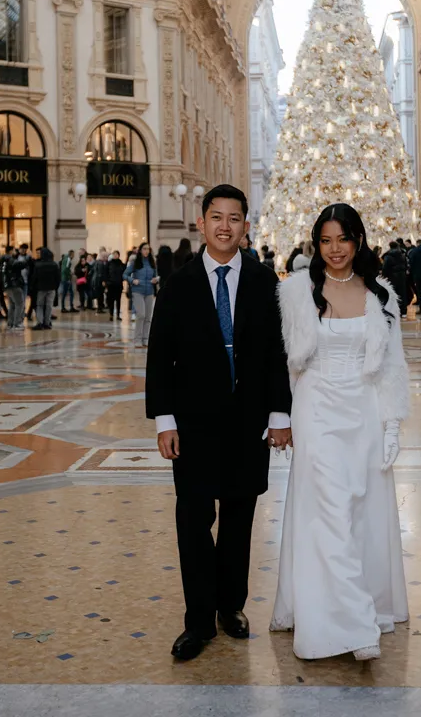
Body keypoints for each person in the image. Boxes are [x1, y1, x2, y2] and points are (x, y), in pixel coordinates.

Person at [146, 184, 292, 662]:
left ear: (245, 226)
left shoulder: (263, 281)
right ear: (202, 222)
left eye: (234, 218)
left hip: (246, 424)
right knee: (193, 521)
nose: (225, 225)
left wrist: (279, 414)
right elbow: (159, 356)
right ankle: (198, 621)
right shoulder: (179, 284)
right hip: (192, 426)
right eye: (217, 217)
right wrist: (165, 420)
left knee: (238, 521)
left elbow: (276, 354)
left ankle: (231, 607)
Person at [271, 203, 409, 661]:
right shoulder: (295, 292)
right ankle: (351, 624)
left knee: (361, 509)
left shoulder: (381, 295)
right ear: (317, 243)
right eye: (326, 241)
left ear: (358, 241)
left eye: (343, 240)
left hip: (365, 410)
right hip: (317, 410)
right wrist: (282, 418)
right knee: (328, 509)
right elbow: (287, 366)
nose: (335, 250)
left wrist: (391, 425)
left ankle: (357, 600)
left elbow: (392, 366)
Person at [124, 242, 159, 347]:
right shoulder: (135, 262)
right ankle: (137, 339)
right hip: (137, 291)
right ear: (140, 250)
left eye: (148, 249)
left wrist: (156, 279)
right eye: (144, 249)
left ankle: (146, 339)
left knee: (148, 317)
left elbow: (157, 275)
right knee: (141, 315)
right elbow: (125, 274)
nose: (146, 251)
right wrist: (132, 280)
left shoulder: (153, 263)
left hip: (149, 292)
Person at [30, 248, 61, 330]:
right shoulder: (54, 264)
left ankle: (40, 322)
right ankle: (47, 323)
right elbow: (58, 278)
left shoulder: (38, 265)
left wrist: (33, 287)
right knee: (49, 306)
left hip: (41, 288)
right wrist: (55, 286)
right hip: (52, 288)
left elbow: (34, 278)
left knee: (39, 305)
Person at [382, 240, 407, 319]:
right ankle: (403, 312)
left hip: (392, 277)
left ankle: (393, 311)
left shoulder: (388, 256)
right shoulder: (402, 254)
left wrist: (384, 275)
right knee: (402, 294)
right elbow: (406, 265)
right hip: (402, 277)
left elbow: (385, 268)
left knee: (392, 294)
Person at [2, 248, 26, 329]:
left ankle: (10, 322)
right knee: (19, 304)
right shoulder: (11, 261)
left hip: (8, 286)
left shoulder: (4, 262)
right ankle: (17, 323)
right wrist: (28, 258)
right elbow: (22, 265)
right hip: (15, 285)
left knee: (12, 304)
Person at [106, 250, 125, 320]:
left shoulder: (121, 264)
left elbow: (124, 273)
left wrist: (122, 279)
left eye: (116, 254)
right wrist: (107, 282)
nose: (115, 255)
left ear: (118, 255)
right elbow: (106, 273)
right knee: (111, 300)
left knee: (118, 300)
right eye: (114, 254)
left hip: (119, 284)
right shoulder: (109, 264)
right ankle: (111, 314)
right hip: (111, 285)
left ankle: (118, 315)